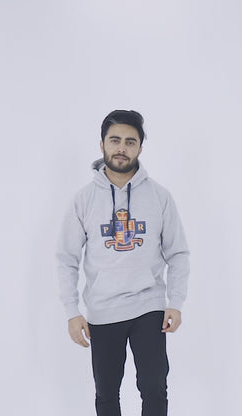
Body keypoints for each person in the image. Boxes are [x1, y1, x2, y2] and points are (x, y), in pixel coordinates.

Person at [55, 109, 190, 416]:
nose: (122, 148)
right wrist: (72, 311)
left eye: (130, 141)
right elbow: (67, 258)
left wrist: (176, 302)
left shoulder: (159, 196)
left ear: (140, 148)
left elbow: (178, 253)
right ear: (102, 144)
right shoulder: (84, 199)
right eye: (114, 140)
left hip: (148, 305)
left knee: (154, 387)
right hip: (103, 310)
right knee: (106, 393)